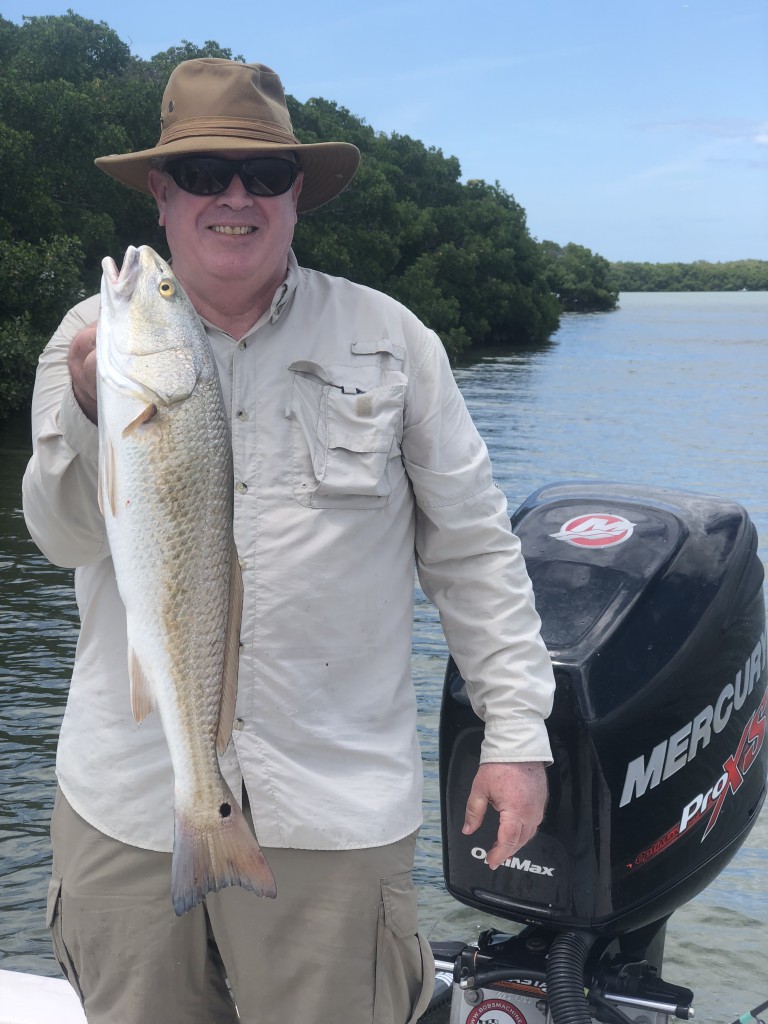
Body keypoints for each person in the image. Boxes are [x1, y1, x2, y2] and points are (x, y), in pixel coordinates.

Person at [22, 58, 556, 1024]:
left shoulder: (395, 342)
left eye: (263, 175)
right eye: (205, 172)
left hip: (332, 812)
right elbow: (58, 537)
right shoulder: (88, 345)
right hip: (127, 804)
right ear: (161, 191)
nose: (235, 196)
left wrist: (517, 734)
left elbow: (474, 551)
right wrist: (97, 409)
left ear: (297, 192)